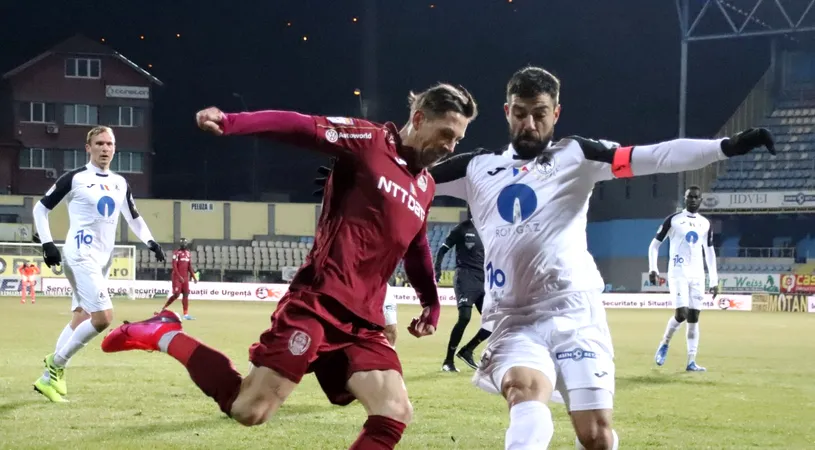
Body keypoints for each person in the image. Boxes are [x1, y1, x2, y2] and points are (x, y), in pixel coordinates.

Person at [101, 82, 478, 449]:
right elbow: (301, 126)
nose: (450, 146)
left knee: (394, 411)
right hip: (320, 301)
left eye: (458, 139)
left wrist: (430, 302)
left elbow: (415, 247)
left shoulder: (425, 185)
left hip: (364, 321)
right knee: (250, 409)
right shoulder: (369, 141)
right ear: (418, 117)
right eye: (446, 133)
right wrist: (233, 122)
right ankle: (161, 333)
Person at [429, 66, 775, 449]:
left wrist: (723, 147)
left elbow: (655, 156)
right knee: (522, 391)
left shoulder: (578, 155)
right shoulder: (477, 168)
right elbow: (403, 174)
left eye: (539, 113)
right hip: (513, 318)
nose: (529, 123)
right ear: (506, 111)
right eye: (520, 112)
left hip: (574, 312)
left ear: (556, 113)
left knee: (594, 435)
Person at [31, 126, 165, 402]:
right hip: (79, 254)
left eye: (110, 144)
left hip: (102, 258)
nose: (105, 148)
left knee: (82, 316)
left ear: (115, 148)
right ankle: (54, 366)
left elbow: (133, 217)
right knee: (103, 317)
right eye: (100, 143)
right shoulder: (76, 178)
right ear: (88, 147)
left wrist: (151, 241)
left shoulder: (120, 183)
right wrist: (47, 243)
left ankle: (52, 375)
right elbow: (40, 208)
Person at [314, 164, 399, 348]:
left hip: (377, 285)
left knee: (390, 331)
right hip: (341, 284)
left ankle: (385, 364)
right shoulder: (340, 216)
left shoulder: (389, 211)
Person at [649, 186, 718, 372]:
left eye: (696, 197)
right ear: (685, 198)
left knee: (694, 317)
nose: (693, 200)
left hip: (697, 274)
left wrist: (714, 280)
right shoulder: (673, 220)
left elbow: (709, 252)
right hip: (678, 272)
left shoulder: (705, 223)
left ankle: (691, 362)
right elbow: (654, 246)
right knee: (682, 314)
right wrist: (653, 268)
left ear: (701, 200)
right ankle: (665, 343)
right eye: (690, 197)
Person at [433, 212, 493, 372]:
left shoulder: (488, 229)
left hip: (483, 280)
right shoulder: (461, 228)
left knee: (493, 321)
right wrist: (437, 269)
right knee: (465, 317)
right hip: (464, 276)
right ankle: (448, 361)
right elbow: (442, 249)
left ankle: (467, 350)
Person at [161, 237, 198, 320]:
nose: (183, 245)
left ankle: (185, 314)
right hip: (177, 277)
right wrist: (179, 276)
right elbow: (174, 266)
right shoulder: (176, 253)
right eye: (182, 244)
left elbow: (189, 266)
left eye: (185, 244)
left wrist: (193, 276)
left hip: (185, 277)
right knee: (176, 294)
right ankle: (164, 308)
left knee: (186, 294)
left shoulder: (188, 253)